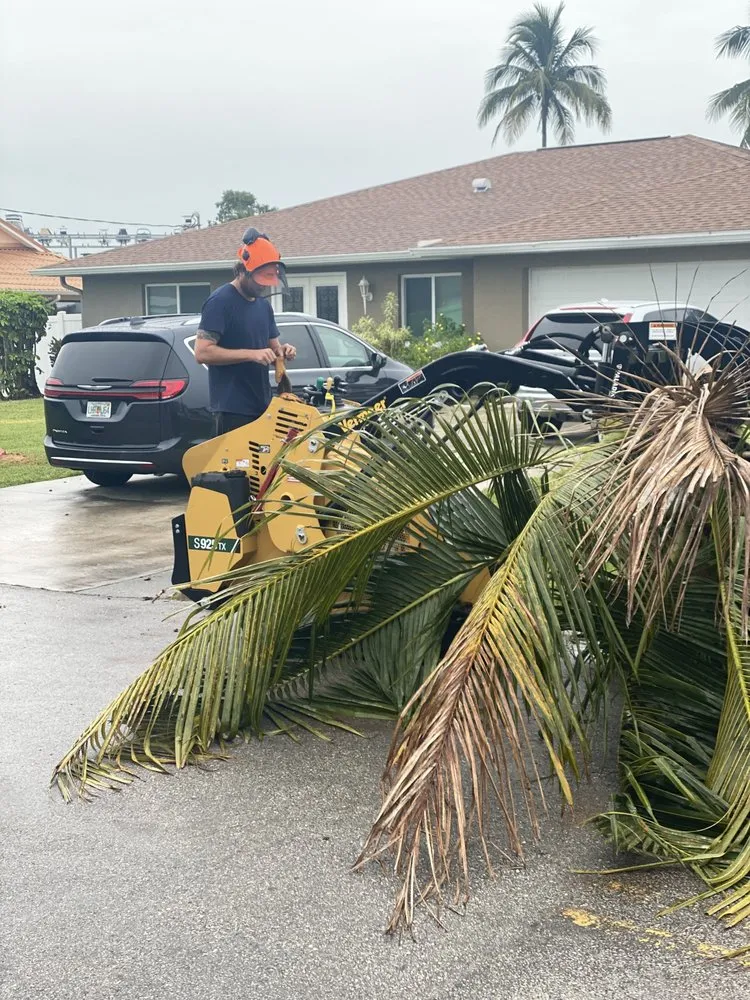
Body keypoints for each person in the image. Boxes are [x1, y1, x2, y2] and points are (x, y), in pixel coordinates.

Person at [194, 228, 297, 435]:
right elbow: (202, 352)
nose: (263, 287)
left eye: (268, 281)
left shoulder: (263, 306)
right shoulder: (220, 302)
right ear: (242, 271)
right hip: (232, 409)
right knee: (237, 468)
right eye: (259, 280)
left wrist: (283, 351)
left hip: (262, 404)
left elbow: (273, 347)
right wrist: (251, 354)